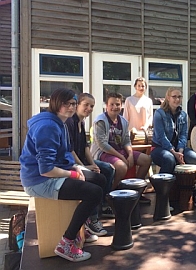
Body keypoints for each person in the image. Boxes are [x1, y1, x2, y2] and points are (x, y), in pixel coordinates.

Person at [20, 88, 106, 262]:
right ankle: (66, 243)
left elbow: (63, 155)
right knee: (93, 192)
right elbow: (45, 169)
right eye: (65, 103)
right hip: (39, 181)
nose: (70, 107)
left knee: (100, 179)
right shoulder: (48, 127)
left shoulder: (60, 122)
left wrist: (76, 167)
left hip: (55, 171)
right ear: (55, 104)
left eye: (73, 103)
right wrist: (73, 174)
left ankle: (84, 225)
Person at [65, 93, 115, 237]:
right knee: (95, 178)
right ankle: (92, 219)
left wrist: (93, 163)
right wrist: (86, 168)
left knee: (107, 169)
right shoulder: (70, 122)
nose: (89, 108)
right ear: (78, 105)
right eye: (85, 105)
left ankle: (103, 206)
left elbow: (86, 147)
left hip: (83, 161)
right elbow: (71, 150)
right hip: (72, 164)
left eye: (91, 106)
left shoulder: (82, 122)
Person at [90, 92, 152, 202]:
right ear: (106, 106)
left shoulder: (123, 121)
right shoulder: (100, 121)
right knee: (122, 167)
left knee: (146, 160)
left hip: (120, 150)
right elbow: (102, 145)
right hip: (103, 153)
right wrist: (122, 157)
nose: (115, 107)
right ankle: (110, 195)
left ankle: (134, 191)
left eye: (117, 104)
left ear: (121, 105)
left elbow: (126, 141)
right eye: (112, 104)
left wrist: (130, 154)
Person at [151, 87, 196, 207]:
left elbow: (184, 135)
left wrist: (180, 150)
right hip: (160, 148)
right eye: (174, 96)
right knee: (169, 159)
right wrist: (175, 153)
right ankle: (163, 198)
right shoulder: (159, 113)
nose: (177, 99)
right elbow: (161, 137)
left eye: (179, 97)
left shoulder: (183, 115)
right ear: (168, 98)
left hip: (178, 149)